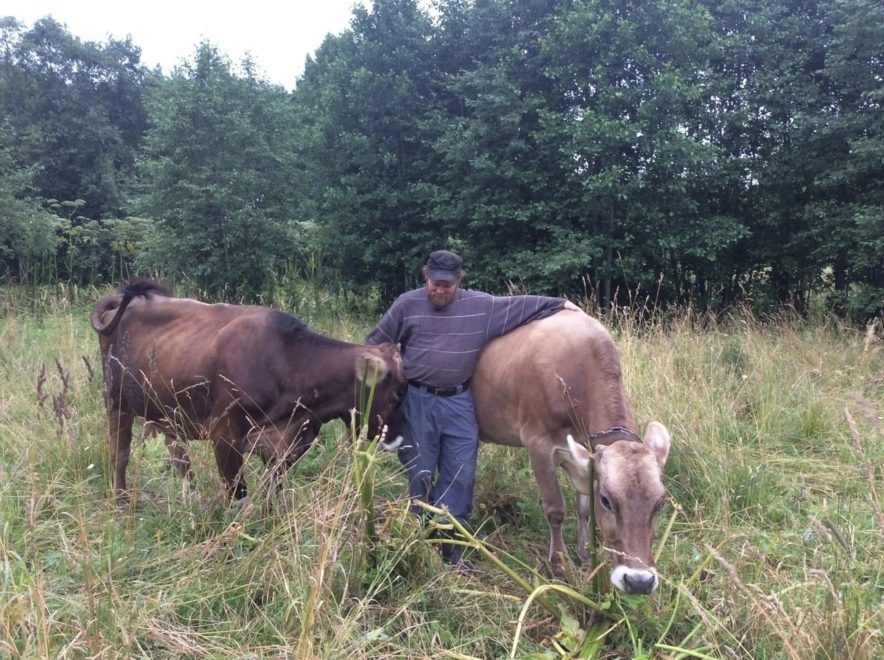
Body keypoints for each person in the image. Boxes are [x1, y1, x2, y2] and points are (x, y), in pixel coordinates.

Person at [365, 249, 579, 572]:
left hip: (460, 403)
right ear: (426, 276)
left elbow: (521, 305)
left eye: (447, 285)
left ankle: (451, 548)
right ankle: (416, 541)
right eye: (435, 283)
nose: (440, 290)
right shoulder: (407, 305)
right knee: (420, 471)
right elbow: (373, 344)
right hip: (418, 401)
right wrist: (380, 390)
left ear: (459, 280)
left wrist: (560, 304)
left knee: (460, 475)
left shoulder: (480, 307)